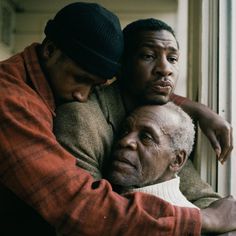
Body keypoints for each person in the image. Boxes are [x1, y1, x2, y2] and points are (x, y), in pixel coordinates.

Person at [0, 3, 207, 235]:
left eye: (94, 85)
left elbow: (132, 88)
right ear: (50, 50)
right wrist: (198, 221)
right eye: (80, 78)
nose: (83, 95)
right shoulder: (10, 102)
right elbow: (78, 206)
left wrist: (197, 109)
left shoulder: (54, 83)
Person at [54, 17, 236, 234]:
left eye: (172, 58)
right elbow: (89, 215)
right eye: (148, 56)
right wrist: (202, 219)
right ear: (120, 67)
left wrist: (200, 109)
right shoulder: (79, 119)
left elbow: (201, 197)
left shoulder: (161, 118)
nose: (164, 69)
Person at [107, 102, 198, 209]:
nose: (125, 141)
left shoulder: (183, 221)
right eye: (125, 131)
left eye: (146, 137)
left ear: (177, 160)